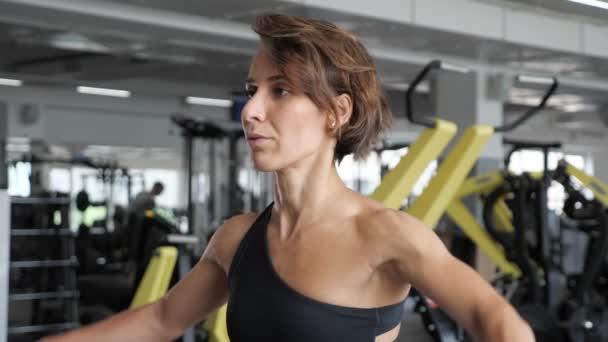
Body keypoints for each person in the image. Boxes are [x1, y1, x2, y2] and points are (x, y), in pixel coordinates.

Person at [43, 14, 534, 342]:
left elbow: (494, 319)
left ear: (335, 113)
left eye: (279, 91)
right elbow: (160, 320)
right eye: (253, 90)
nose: (251, 110)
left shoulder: (386, 235)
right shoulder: (237, 238)